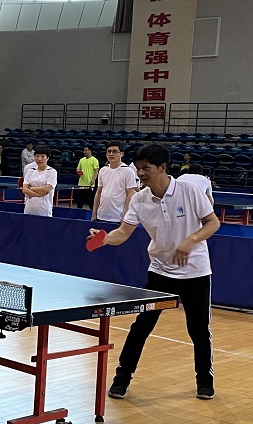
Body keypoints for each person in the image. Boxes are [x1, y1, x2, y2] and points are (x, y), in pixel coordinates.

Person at [87, 143, 220, 401]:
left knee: (199, 330)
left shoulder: (189, 190)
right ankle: (121, 379)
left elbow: (212, 222)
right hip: (160, 272)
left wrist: (190, 241)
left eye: (145, 168)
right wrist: (104, 239)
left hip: (195, 272)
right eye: (138, 168)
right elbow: (123, 232)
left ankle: (205, 380)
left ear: (162, 167)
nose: (140, 173)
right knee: (141, 326)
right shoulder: (139, 199)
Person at [93, 141, 138, 223]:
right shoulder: (103, 170)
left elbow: (130, 194)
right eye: (109, 151)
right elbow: (98, 193)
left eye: (114, 151)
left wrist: (125, 215)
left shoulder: (128, 171)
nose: (111, 154)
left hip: (117, 217)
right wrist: (94, 213)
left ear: (122, 154)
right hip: (101, 215)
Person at [22, 146, 57, 217]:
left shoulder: (52, 172)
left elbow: (46, 189)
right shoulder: (30, 171)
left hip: (44, 210)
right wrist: (40, 194)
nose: (39, 159)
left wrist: (31, 188)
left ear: (47, 158)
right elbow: (25, 190)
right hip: (29, 209)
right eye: (37, 156)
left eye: (42, 156)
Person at [75, 145, 99, 209]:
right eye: (84, 150)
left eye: (86, 150)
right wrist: (78, 171)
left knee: (91, 202)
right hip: (81, 184)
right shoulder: (81, 160)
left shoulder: (94, 160)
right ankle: (78, 213)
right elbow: (78, 169)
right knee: (79, 202)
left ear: (90, 151)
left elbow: (96, 171)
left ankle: (92, 213)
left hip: (90, 184)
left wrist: (93, 180)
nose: (84, 152)